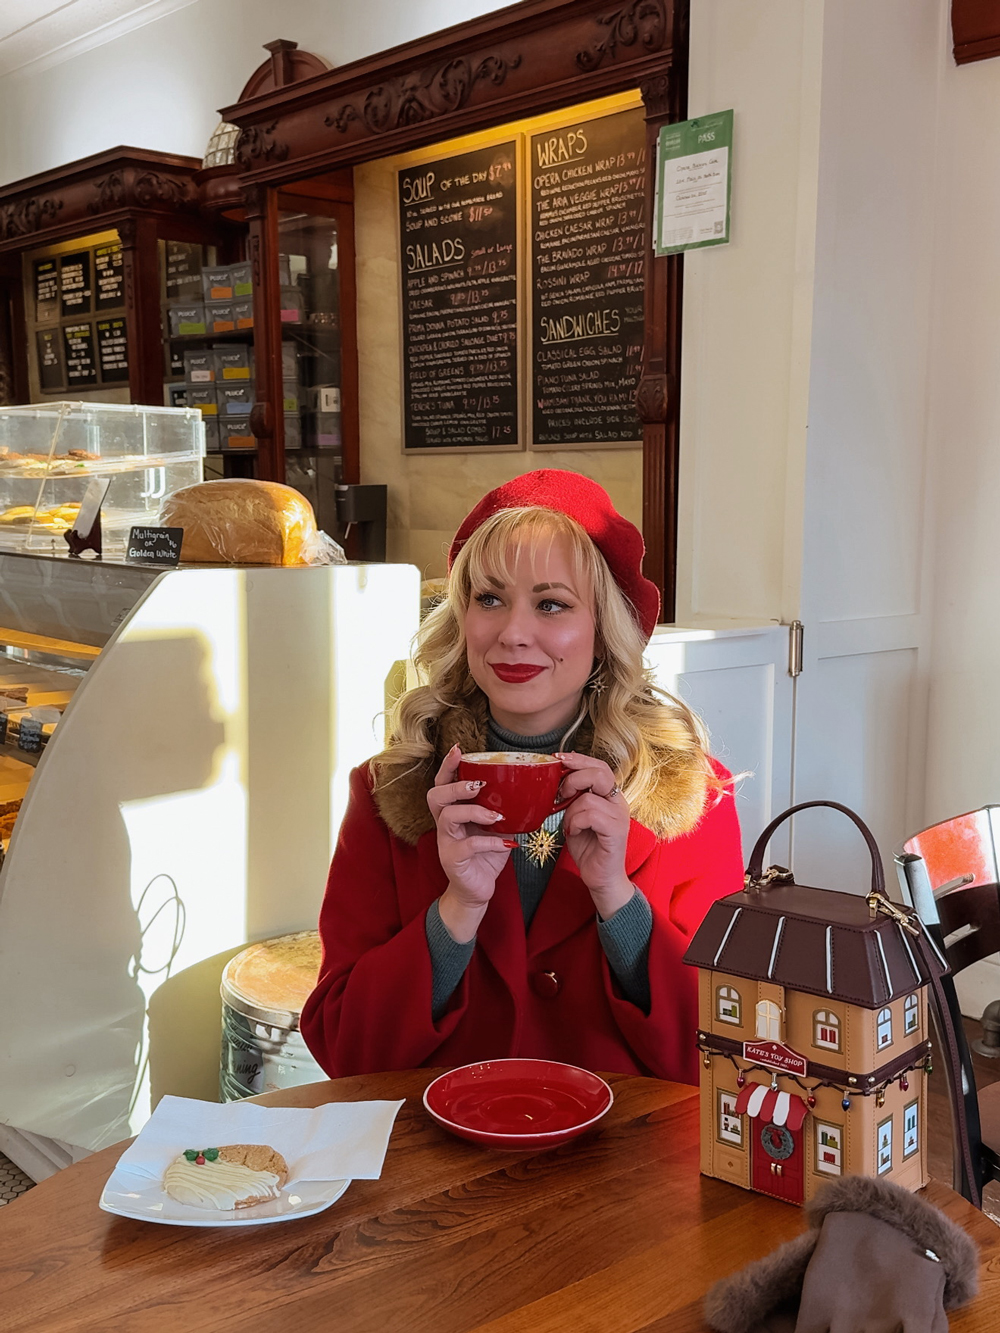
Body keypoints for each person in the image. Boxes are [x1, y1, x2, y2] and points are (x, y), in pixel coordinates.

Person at [300, 470, 744, 1083]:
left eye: (551, 604)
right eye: (489, 599)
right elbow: (344, 1049)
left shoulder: (692, 795)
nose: (512, 634)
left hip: (625, 1142)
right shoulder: (391, 791)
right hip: (442, 1139)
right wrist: (456, 910)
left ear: (604, 629)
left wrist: (616, 897)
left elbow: (723, 1053)